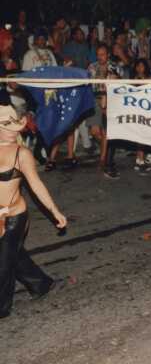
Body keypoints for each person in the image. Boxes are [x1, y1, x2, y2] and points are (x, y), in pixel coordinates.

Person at [0, 104, 67, 318]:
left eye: (15, 126)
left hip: (13, 217)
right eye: (8, 126)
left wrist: (54, 211)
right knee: (12, 254)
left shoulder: (22, 153)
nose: (14, 131)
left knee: (3, 263)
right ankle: (41, 284)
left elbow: (36, 185)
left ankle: (1, 309)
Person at [87, 44, 123, 179]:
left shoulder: (115, 66)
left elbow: (121, 82)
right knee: (95, 132)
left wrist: (114, 78)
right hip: (95, 100)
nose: (100, 56)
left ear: (108, 54)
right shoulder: (91, 67)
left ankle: (104, 160)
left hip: (110, 100)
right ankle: (107, 151)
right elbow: (86, 83)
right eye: (98, 54)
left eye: (103, 54)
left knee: (105, 131)